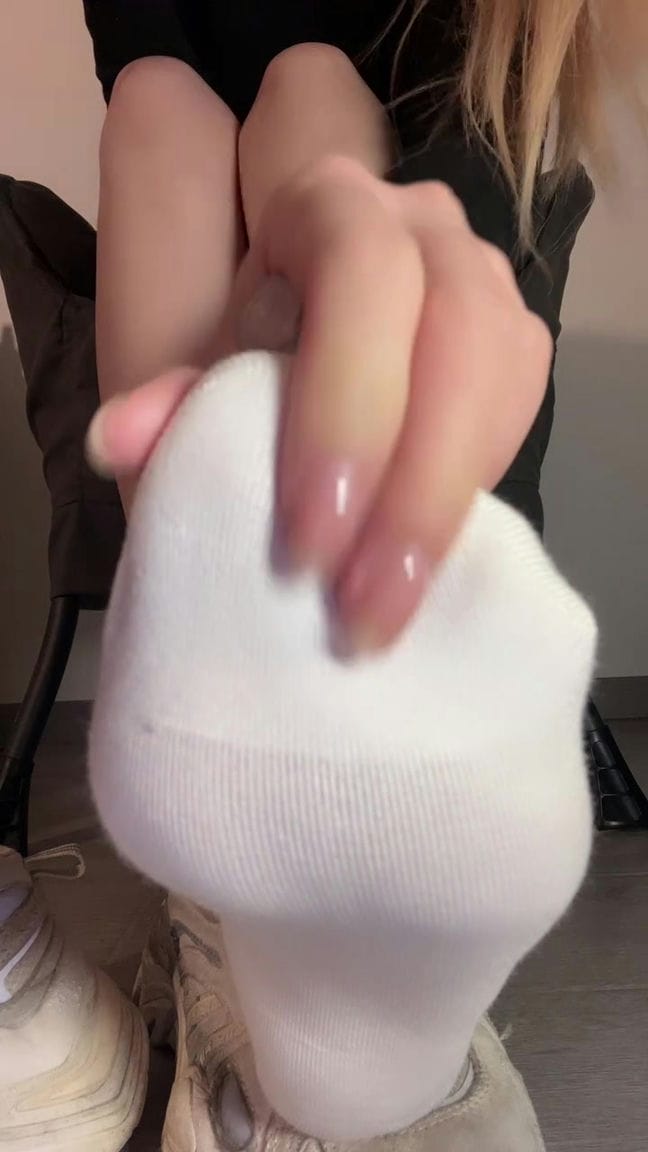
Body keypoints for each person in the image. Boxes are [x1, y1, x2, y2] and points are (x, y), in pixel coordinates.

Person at [0, 2, 644, 1150]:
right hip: (233, 315)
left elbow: (473, 157)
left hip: (403, 324)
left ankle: (296, 754)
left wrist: (417, 270)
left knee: (300, 87)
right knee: (159, 101)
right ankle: (262, 796)